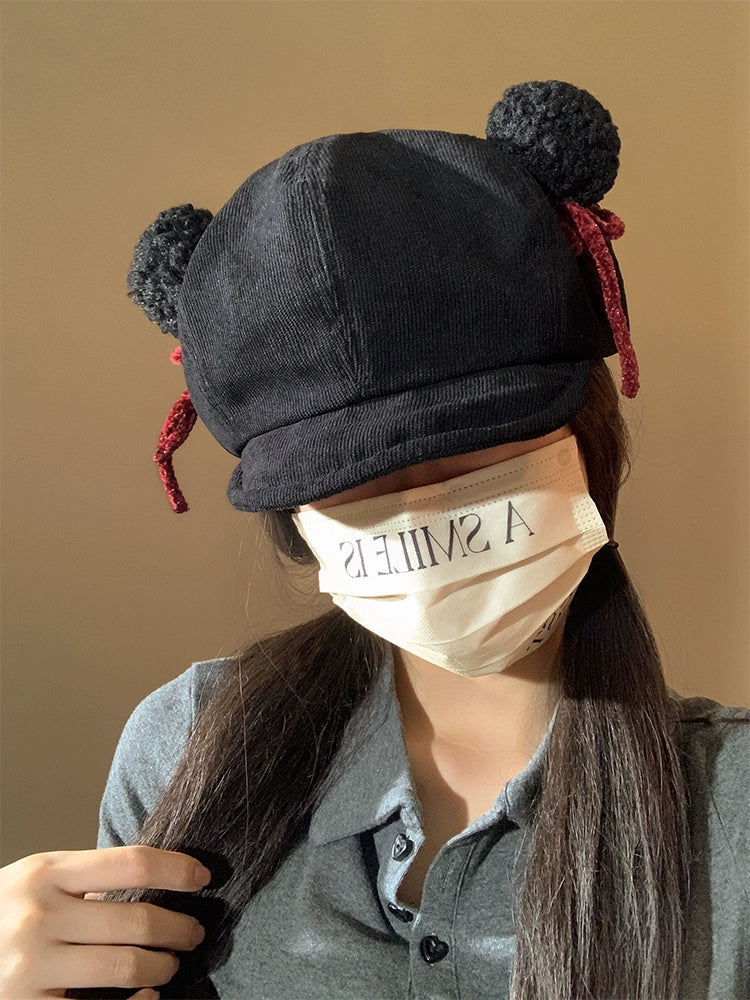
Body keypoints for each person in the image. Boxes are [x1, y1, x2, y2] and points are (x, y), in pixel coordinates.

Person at [1, 80, 747, 1000]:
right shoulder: (186, 745)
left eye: (479, 441)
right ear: (297, 520)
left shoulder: (734, 810)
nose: (423, 502)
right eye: (356, 473)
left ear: (588, 439)